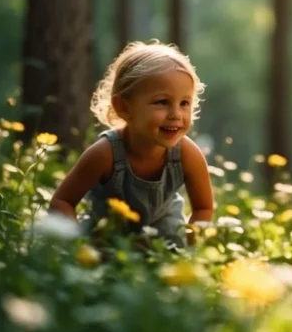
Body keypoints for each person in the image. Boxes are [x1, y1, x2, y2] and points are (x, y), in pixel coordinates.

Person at [49, 40, 214, 247]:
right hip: (107, 240)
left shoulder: (187, 154)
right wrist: (76, 248)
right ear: (123, 108)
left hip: (163, 243)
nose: (176, 115)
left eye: (184, 103)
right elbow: (62, 201)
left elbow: (203, 207)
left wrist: (191, 252)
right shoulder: (105, 154)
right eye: (162, 102)